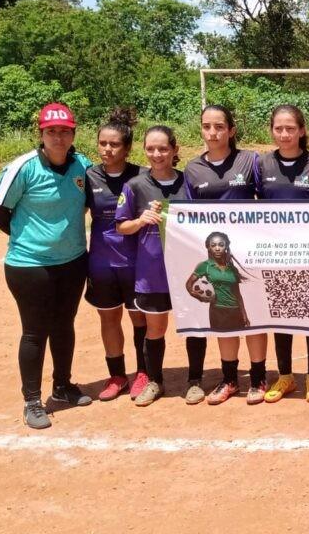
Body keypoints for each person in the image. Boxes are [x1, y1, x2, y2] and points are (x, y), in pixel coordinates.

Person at [0, 102, 93, 429]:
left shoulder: (83, 166)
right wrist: (28, 239)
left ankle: (62, 386)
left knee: (64, 325)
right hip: (29, 265)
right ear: (41, 133)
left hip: (73, 262)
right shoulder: (23, 168)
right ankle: (32, 401)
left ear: (73, 133)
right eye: (51, 131)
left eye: (64, 131)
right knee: (35, 331)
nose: (58, 138)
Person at [183, 104, 268, 405]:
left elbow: (268, 202)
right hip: (216, 257)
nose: (213, 132)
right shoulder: (193, 169)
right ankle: (230, 379)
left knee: (255, 317)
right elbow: (186, 215)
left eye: (219, 126)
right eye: (207, 126)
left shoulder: (250, 160)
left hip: (249, 256)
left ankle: (258, 378)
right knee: (225, 317)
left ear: (231, 130)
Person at [257, 104, 309, 404]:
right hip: (275, 252)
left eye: (290, 128)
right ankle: (285, 376)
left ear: (301, 130)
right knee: (280, 315)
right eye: (278, 129)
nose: (284, 134)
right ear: (272, 131)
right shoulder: (262, 164)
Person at [115, 125, 190, 407]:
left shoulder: (188, 182)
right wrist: (141, 220)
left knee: (194, 326)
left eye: (163, 148)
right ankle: (155, 381)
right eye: (150, 149)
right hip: (152, 271)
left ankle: (195, 380)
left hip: (187, 270)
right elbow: (121, 227)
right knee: (155, 328)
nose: (156, 154)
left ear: (174, 150)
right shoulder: (135, 185)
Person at [84, 108, 148, 402]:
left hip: (136, 261)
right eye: (102, 143)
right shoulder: (88, 176)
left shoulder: (142, 176)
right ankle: (117, 376)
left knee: (140, 319)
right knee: (108, 318)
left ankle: (143, 372)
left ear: (128, 148)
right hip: (101, 261)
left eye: (114, 144)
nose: (107, 149)